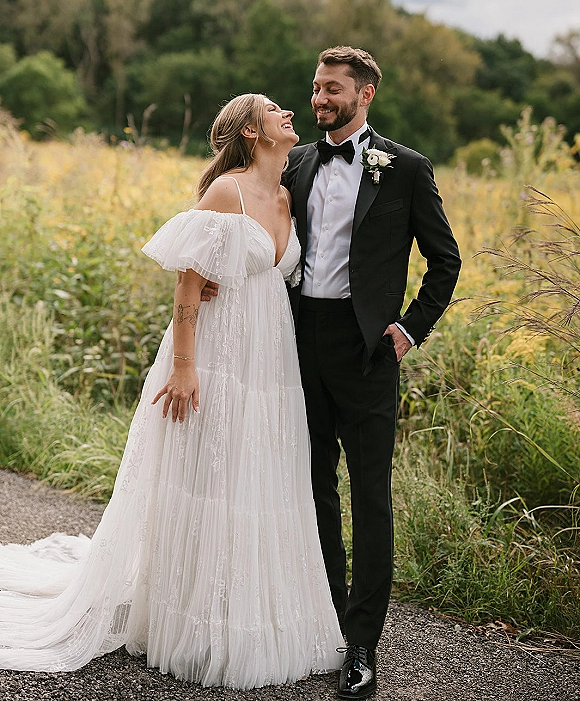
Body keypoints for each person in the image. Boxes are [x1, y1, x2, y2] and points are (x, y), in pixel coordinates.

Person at [0, 94, 344, 689]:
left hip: (269, 363)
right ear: (251, 131)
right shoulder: (226, 193)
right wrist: (184, 369)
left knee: (253, 477)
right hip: (213, 355)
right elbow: (189, 290)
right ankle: (192, 621)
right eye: (274, 108)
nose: (290, 112)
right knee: (206, 478)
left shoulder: (290, 195)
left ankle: (249, 612)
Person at [282, 46, 462, 699]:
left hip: (368, 351)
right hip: (299, 341)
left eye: (332, 88)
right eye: (316, 87)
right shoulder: (297, 160)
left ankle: (362, 643)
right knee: (312, 486)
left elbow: (446, 261)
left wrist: (410, 329)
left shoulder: (406, 168)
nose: (319, 98)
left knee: (371, 495)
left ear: (365, 95)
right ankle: (328, 617)